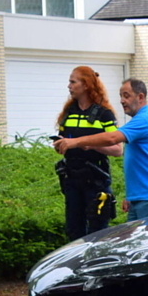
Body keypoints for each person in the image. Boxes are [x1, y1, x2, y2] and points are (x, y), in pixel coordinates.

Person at [53, 78, 148, 222]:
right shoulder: (141, 120)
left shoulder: (145, 119)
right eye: (121, 96)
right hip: (142, 197)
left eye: (126, 96)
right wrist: (131, 196)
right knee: (134, 238)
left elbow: (112, 138)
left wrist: (74, 141)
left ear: (140, 97)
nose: (122, 101)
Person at [55, 66, 123, 241]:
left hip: (95, 181)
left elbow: (117, 150)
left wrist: (91, 145)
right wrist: (60, 144)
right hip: (72, 180)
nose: (69, 86)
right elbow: (64, 139)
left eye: (73, 82)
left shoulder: (103, 114)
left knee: (97, 233)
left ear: (85, 85)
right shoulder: (69, 113)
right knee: (73, 231)